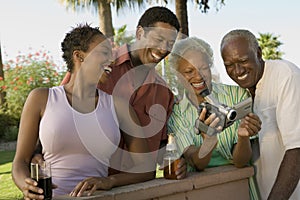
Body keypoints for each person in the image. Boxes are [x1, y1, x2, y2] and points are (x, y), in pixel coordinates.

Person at [12, 24, 155, 199]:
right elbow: (21, 162)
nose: (111, 60)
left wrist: (109, 181)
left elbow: (147, 169)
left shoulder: (119, 107)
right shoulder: (41, 98)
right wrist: (26, 185)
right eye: (104, 53)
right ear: (79, 56)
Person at [59, 6, 186, 178]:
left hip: (133, 186)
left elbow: (161, 149)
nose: (163, 49)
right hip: (84, 186)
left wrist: (180, 160)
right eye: (158, 39)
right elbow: (59, 110)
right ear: (140, 33)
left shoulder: (164, 94)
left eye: (170, 43)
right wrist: (36, 154)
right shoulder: (97, 63)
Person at [167, 37, 262, 199]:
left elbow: (241, 161)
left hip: (239, 188)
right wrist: (209, 140)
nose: (198, 77)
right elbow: (197, 163)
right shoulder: (177, 114)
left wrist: (243, 136)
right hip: (202, 192)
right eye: (189, 71)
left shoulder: (236, 95)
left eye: (203, 68)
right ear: (178, 76)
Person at [220, 29, 300, 200]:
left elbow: (297, 149)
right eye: (229, 65)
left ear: (258, 53)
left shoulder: (286, 76)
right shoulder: (240, 95)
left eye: (243, 60)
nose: (238, 70)